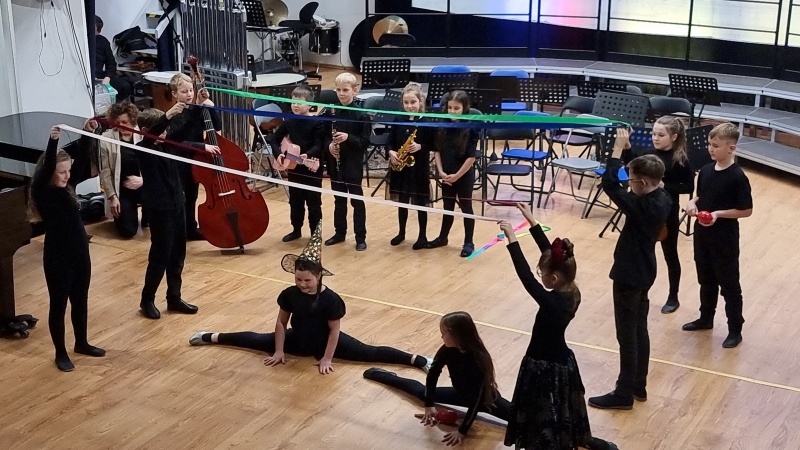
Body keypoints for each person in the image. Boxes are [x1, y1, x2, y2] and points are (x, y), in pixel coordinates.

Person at [189, 223, 431, 373]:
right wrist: (279, 350)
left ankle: (417, 360)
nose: (302, 284)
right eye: (298, 279)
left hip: (326, 341)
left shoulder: (331, 299)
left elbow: (334, 331)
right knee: (257, 340)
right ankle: (211, 336)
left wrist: (327, 357)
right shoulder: (289, 294)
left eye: (307, 280)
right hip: (298, 340)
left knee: (369, 353)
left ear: (319, 276)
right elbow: (281, 323)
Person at [499, 205, 617, 450]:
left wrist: (512, 239)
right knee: (559, 410)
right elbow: (550, 255)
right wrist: (531, 221)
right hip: (560, 360)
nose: (539, 275)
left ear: (553, 279)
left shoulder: (552, 302)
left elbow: (526, 278)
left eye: (542, 273)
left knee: (544, 411)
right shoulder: (571, 289)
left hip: (543, 363)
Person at [588, 129, 672, 410]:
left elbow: (610, 184)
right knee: (639, 330)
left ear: (643, 183)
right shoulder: (663, 196)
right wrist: (627, 150)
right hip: (646, 270)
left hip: (629, 273)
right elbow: (641, 172)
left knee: (626, 336)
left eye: (632, 181)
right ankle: (638, 386)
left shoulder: (639, 206)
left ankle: (623, 393)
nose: (629, 183)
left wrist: (615, 150)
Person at [364, 311, 511, 447]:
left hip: (487, 400)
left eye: (443, 333)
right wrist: (429, 404)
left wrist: (462, 431)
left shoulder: (477, 359)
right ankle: (383, 376)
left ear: (455, 335)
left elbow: (477, 400)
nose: (441, 337)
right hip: (461, 394)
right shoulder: (446, 350)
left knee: (517, 419)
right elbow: (433, 374)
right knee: (422, 393)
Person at [28, 126, 105, 372]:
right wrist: (53, 142)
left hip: (80, 254)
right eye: (61, 172)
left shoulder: (67, 185)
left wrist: (86, 133)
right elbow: (47, 168)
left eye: (68, 171)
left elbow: (82, 159)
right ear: (50, 172)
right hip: (58, 258)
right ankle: (60, 352)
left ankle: (81, 343)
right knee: (59, 305)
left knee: (80, 301)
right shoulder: (43, 191)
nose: (66, 176)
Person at [136, 106, 220, 319]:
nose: (166, 132)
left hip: (177, 204)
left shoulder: (168, 144)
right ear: (146, 130)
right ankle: (147, 300)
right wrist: (168, 114)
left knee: (178, 254)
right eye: (163, 129)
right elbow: (157, 130)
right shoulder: (143, 148)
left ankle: (174, 297)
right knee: (160, 255)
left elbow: (183, 132)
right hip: (160, 209)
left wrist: (195, 107)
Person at [682, 122, 753, 348]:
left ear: (731, 148)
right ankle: (706, 318)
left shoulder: (737, 177)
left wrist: (717, 214)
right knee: (706, 279)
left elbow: (746, 210)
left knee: (729, 285)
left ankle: (735, 329)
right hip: (702, 235)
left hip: (724, 238)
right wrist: (692, 203)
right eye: (709, 144)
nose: (710, 149)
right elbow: (701, 196)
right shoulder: (705, 170)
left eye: (715, 146)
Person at [622, 117, 695, 314]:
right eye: (653, 134)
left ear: (674, 136)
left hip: (666, 213)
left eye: (661, 135)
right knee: (644, 253)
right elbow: (632, 167)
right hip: (645, 212)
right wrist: (627, 146)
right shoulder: (649, 154)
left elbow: (688, 186)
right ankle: (642, 291)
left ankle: (673, 296)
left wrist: (664, 185)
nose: (655, 138)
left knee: (670, 254)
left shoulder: (680, 160)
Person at [166, 72, 222, 241]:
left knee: (192, 195)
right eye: (184, 91)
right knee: (182, 196)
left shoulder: (197, 109)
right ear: (175, 94)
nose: (189, 94)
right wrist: (203, 146)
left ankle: (190, 228)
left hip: (195, 159)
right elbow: (178, 141)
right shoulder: (174, 114)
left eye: (191, 90)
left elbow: (217, 126)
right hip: (179, 160)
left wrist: (210, 107)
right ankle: (180, 230)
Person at [267, 85, 325, 242]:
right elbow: (273, 139)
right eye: (293, 102)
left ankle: (315, 234)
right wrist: (278, 154)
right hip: (294, 168)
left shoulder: (317, 122)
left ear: (309, 104)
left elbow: (319, 145)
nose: (295, 105)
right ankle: (296, 229)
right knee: (295, 200)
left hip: (311, 168)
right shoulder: (289, 121)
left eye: (299, 102)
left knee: (314, 202)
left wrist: (308, 154)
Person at [322, 73, 371, 251]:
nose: (341, 94)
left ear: (354, 91)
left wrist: (348, 137)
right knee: (339, 200)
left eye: (345, 90)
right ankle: (339, 233)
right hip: (336, 162)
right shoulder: (330, 112)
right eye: (338, 90)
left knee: (356, 201)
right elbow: (324, 136)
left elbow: (365, 142)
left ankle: (360, 237)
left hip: (353, 162)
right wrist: (329, 146)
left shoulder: (362, 115)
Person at [428, 90, 479, 257]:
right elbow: (436, 151)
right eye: (450, 108)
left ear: (464, 108)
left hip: (463, 175)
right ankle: (443, 237)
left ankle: (469, 242)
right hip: (446, 174)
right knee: (447, 207)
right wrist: (441, 172)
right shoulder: (442, 125)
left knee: (466, 208)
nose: (452, 111)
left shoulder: (470, 128)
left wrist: (457, 176)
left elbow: (471, 157)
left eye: (456, 108)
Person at [84, 101, 146, 238]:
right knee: (128, 232)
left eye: (124, 122)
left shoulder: (143, 133)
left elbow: (153, 165)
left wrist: (143, 180)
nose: (120, 126)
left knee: (154, 220)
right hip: (122, 190)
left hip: (143, 184)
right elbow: (105, 171)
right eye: (117, 122)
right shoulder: (106, 138)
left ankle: (146, 214)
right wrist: (112, 197)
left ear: (133, 120)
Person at [386, 82, 432, 249]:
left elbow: (434, 144)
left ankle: (422, 236)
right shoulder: (398, 119)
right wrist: (391, 152)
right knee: (402, 202)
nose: (409, 106)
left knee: (420, 203)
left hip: (419, 168)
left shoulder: (426, 121)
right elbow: (389, 141)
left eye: (413, 102)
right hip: (401, 168)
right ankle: (401, 232)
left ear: (421, 101)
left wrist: (420, 146)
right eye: (406, 103)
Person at [93, 16, 135, 102]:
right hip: (85, 77)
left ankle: (113, 106)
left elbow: (111, 64)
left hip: (99, 76)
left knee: (124, 86)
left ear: (97, 29)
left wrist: (107, 77)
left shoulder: (103, 41)